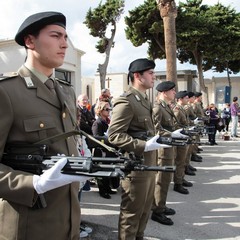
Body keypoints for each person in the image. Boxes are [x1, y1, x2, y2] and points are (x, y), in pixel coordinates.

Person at [0, 11, 89, 240]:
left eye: (66, 37)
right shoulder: (7, 92)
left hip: (68, 221)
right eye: (56, 35)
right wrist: (33, 184)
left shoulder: (66, 91)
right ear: (30, 41)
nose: (64, 44)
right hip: (29, 224)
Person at [108, 58, 169, 240]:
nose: (154, 77)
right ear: (137, 76)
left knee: (144, 212)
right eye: (150, 73)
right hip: (135, 169)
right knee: (131, 215)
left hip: (149, 166)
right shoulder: (127, 101)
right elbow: (114, 135)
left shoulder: (143, 100)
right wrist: (144, 145)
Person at [152, 80, 180, 226]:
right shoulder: (157, 108)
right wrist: (173, 134)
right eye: (172, 90)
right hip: (162, 150)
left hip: (168, 148)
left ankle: (161, 205)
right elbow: (156, 130)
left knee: (166, 179)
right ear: (164, 92)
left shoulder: (165, 107)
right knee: (161, 181)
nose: (174, 92)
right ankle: (157, 211)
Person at [91, 101, 118, 199]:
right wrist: (106, 138)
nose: (109, 111)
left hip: (108, 150)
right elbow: (96, 138)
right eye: (107, 109)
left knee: (108, 170)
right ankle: (102, 191)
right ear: (100, 110)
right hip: (101, 151)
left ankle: (107, 188)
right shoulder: (97, 123)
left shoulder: (107, 121)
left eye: (109, 109)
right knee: (101, 171)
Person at [172, 91, 192, 194]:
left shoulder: (181, 109)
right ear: (180, 99)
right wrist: (184, 130)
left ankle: (181, 178)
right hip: (179, 139)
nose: (188, 100)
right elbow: (174, 126)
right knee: (180, 161)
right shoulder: (177, 110)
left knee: (183, 161)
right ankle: (178, 183)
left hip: (184, 137)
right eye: (186, 98)